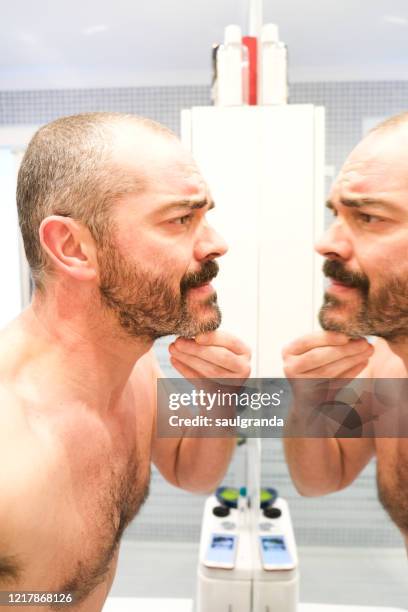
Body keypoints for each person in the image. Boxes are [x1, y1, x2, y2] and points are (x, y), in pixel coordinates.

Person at [0, 113, 251, 610]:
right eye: (181, 219)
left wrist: (221, 401)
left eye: (205, 215)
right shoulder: (11, 453)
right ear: (72, 248)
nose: (216, 243)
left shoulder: (134, 364)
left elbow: (191, 473)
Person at [283, 111, 408, 546]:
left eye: (368, 217)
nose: (326, 242)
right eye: (336, 213)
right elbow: (320, 479)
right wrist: (309, 404)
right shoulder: (388, 367)